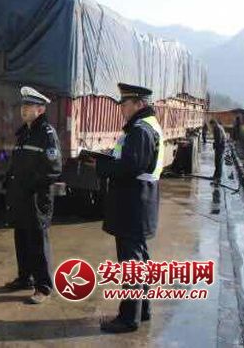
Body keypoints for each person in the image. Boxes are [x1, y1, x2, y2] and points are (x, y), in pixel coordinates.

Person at [85, 83, 164, 333]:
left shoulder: (140, 129)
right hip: (139, 202)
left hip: (134, 203)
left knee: (131, 263)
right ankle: (143, 310)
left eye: (125, 104)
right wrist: (107, 158)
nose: (121, 108)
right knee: (140, 260)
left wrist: (101, 166)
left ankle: (128, 318)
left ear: (139, 104)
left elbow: (131, 167)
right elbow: (131, 161)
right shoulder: (145, 126)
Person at [3, 86, 62, 304]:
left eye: (29, 106)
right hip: (20, 194)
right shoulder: (25, 132)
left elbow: (53, 169)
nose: (24, 109)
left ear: (40, 110)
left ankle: (43, 287)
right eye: (23, 105)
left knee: (37, 241)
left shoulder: (46, 134)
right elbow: (18, 162)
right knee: (21, 237)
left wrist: (32, 186)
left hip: (36, 196)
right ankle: (24, 278)